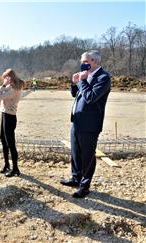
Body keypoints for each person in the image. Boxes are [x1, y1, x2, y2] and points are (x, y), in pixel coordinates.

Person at [60, 50, 111, 198]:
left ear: (94, 61)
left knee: (88, 156)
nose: (82, 64)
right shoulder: (86, 75)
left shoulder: (103, 77)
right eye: (82, 61)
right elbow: (75, 94)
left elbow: (91, 98)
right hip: (77, 121)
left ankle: (85, 186)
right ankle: (76, 179)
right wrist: (74, 83)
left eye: (85, 62)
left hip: (90, 124)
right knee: (75, 152)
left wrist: (82, 81)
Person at [0, 69, 25, 177]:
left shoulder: (13, 89)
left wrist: (3, 85)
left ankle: (15, 168)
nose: (4, 80)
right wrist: (4, 86)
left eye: (5, 78)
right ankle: (7, 164)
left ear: (10, 77)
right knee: (3, 140)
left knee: (11, 144)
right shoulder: (11, 86)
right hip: (5, 115)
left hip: (9, 117)